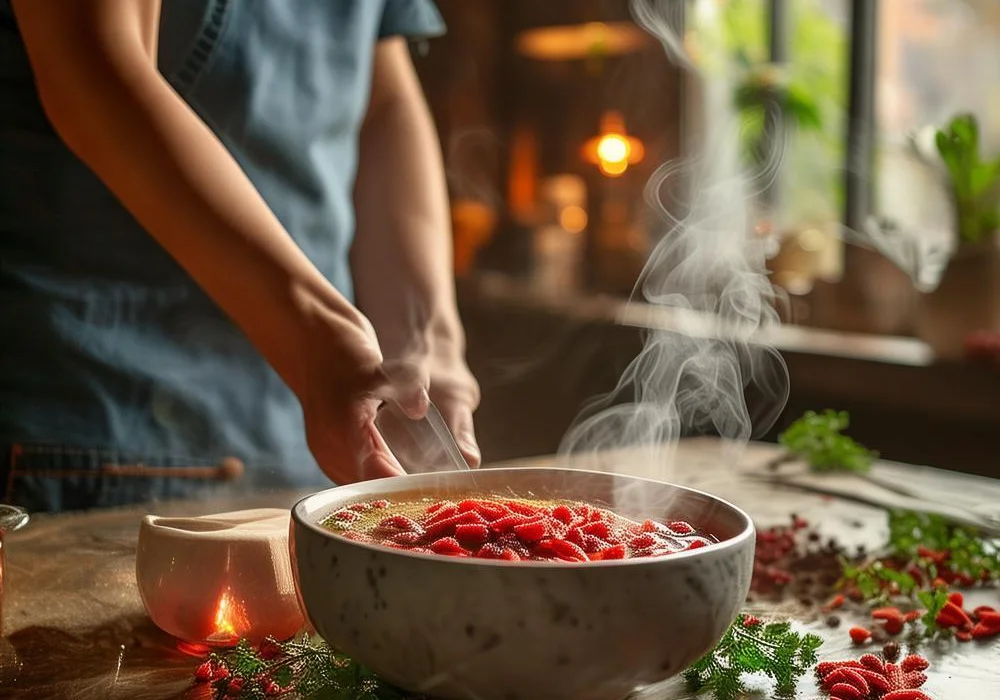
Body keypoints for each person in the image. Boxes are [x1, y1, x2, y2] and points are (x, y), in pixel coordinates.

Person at [0, 0, 481, 513]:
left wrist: (431, 342)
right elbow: (93, 68)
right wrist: (316, 335)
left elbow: (384, 103)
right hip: (95, 428)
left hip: (299, 435)